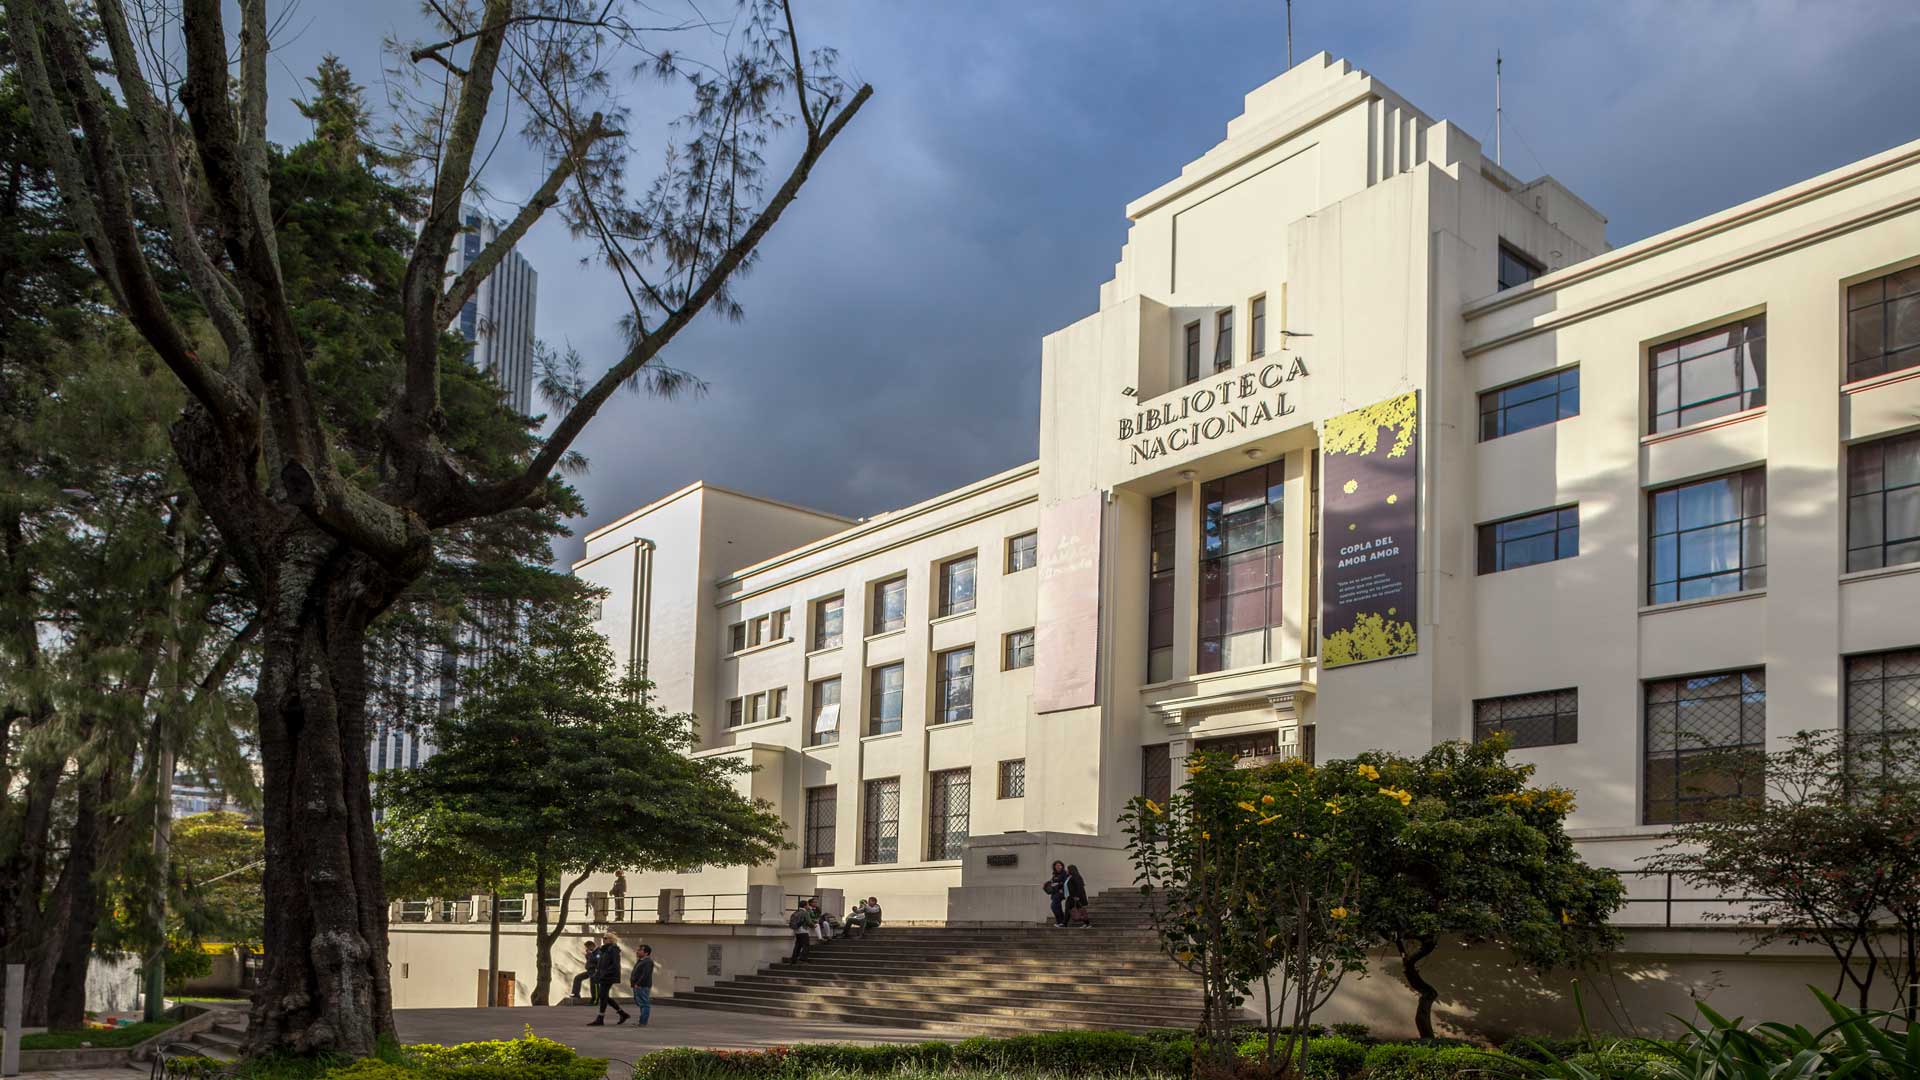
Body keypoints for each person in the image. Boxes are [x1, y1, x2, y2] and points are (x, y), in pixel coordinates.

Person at [587, 932, 629, 1025]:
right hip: (603, 975)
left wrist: (605, 974)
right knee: (604, 996)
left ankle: (600, 1018)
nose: (603, 939)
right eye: (603, 938)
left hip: (608, 976)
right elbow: (600, 964)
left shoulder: (613, 949)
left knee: (603, 996)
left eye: (605, 938)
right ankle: (622, 1013)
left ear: (611, 939)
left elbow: (615, 964)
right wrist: (597, 974)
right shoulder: (604, 949)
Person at [628, 943, 654, 1026]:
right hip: (638, 986)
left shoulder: (648, 962)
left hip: (642, 986)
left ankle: (643, 1022)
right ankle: (642, 1021)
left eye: (640, 950)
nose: (637, 951)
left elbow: (645, 974)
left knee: (644, 1004)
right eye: (638, 950)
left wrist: (638, 984)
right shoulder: (641, 961)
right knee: (641, 1003)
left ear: (646, 953)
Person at [1043, 860, 1069, 927]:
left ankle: (1059, 921)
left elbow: (1066, 882)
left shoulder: (1064, 873)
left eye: (1059, 865)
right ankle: (1061, 921)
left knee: (1053, 906)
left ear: (1062, 866)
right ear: (1054, 867)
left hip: (1060, 892)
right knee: (1057, 907)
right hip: (1054, 892)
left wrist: (1058, 884)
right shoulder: (1054, 874)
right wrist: (1047, 883)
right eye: (1056, 865)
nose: (1058, 867)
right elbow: (1052, 881)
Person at [1065, 864, 1091, 928]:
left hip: (1075, 897)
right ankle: (1086, 923)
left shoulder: (1076, 877)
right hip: (1071, 896)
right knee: (1070, 909)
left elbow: (1079, 887)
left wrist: (1077, 896)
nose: (1066, 871)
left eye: (1068, 869)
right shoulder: (1070, 877)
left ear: (1071, 870)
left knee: (1080, 910)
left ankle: (1064, 923)